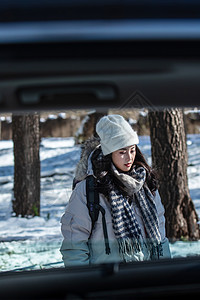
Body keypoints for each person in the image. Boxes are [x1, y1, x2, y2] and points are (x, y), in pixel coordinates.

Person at [60, 114, 171, 266]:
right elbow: (74, 244)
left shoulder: (145, 184)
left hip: (144, 277)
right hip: (104, 282)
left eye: (132, 150)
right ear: (109, 152)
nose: (129, 158)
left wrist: (164, 271)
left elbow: (160, 234)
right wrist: (82, 281)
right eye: (122, 152)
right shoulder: (88, 189)